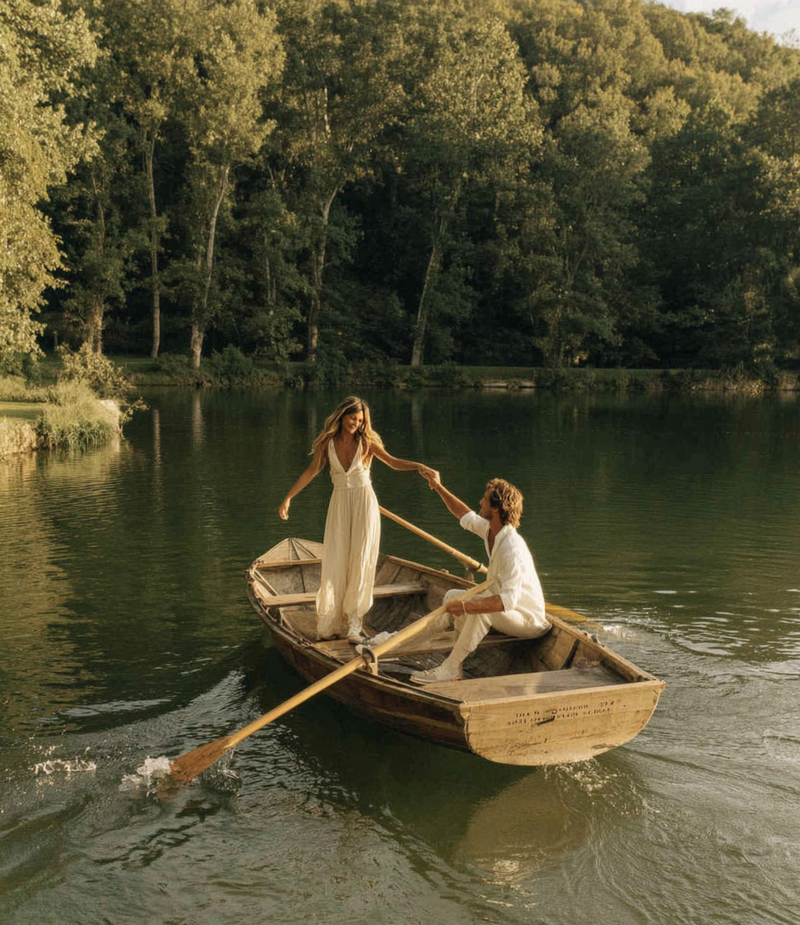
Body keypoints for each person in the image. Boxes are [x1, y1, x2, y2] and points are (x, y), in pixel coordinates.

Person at [278, 396, 437, 645]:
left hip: (364, 504)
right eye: (353, 417)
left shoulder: (366, 443)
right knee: (336, 559)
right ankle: (331, 621)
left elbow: (393, 463)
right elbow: (311, 471)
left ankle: (354, 624)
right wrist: (288, 498)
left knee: (361, 561)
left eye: (360, 420)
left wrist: (419, 466)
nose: (356, 423)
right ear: (342, 415)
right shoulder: (328, 443)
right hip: (339, 504)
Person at [411, 474, 550, 683]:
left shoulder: (512, 548)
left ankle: (448, 668)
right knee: (451, 595)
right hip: (509, 613)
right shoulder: (491, 530)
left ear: (495, 508)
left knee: (479, 610)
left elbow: (507, 601)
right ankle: (416, 648)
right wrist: (438, 487)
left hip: (528, 621)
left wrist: (466, 608)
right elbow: (463, 514)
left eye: (484, 499)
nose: (480, 503)